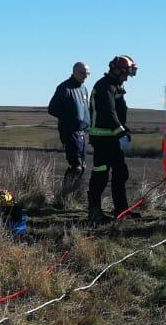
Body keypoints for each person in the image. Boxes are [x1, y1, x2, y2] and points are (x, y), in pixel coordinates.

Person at [87, 55, 137, 224]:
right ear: (118, 71)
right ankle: (94, 213)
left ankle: (122, 210)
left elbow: (118, 113)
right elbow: (109, 113)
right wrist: (121, 131)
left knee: (120, 173)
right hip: (102, 139)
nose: (127, 78)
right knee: (100, 175)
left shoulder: (115, 86)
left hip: (112, 138)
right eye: (126, 74)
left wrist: (122, 130)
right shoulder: (104, 86)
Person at [47, 62, 91, 200]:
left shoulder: (84, 89)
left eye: (87, 74)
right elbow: (52, 108)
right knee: (76, 166)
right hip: (69, 131)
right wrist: (70, 118)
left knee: (82, 167)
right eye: (83, 73)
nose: (85, 76)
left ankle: (73, 197)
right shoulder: (64, 88)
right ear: (75, 72)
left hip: (82, 132)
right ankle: (63, 197)